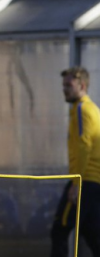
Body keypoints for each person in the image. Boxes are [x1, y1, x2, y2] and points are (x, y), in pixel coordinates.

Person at [50, 67, 100, 257]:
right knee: (92, 234)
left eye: (69, 85)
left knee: (59, 230)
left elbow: (84, 146)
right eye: (63, 85)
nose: (64, 89)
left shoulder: (82, 109)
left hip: (84, 181)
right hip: (93, 182)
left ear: (82, 85)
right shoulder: (93, 109)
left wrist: (76, 183)